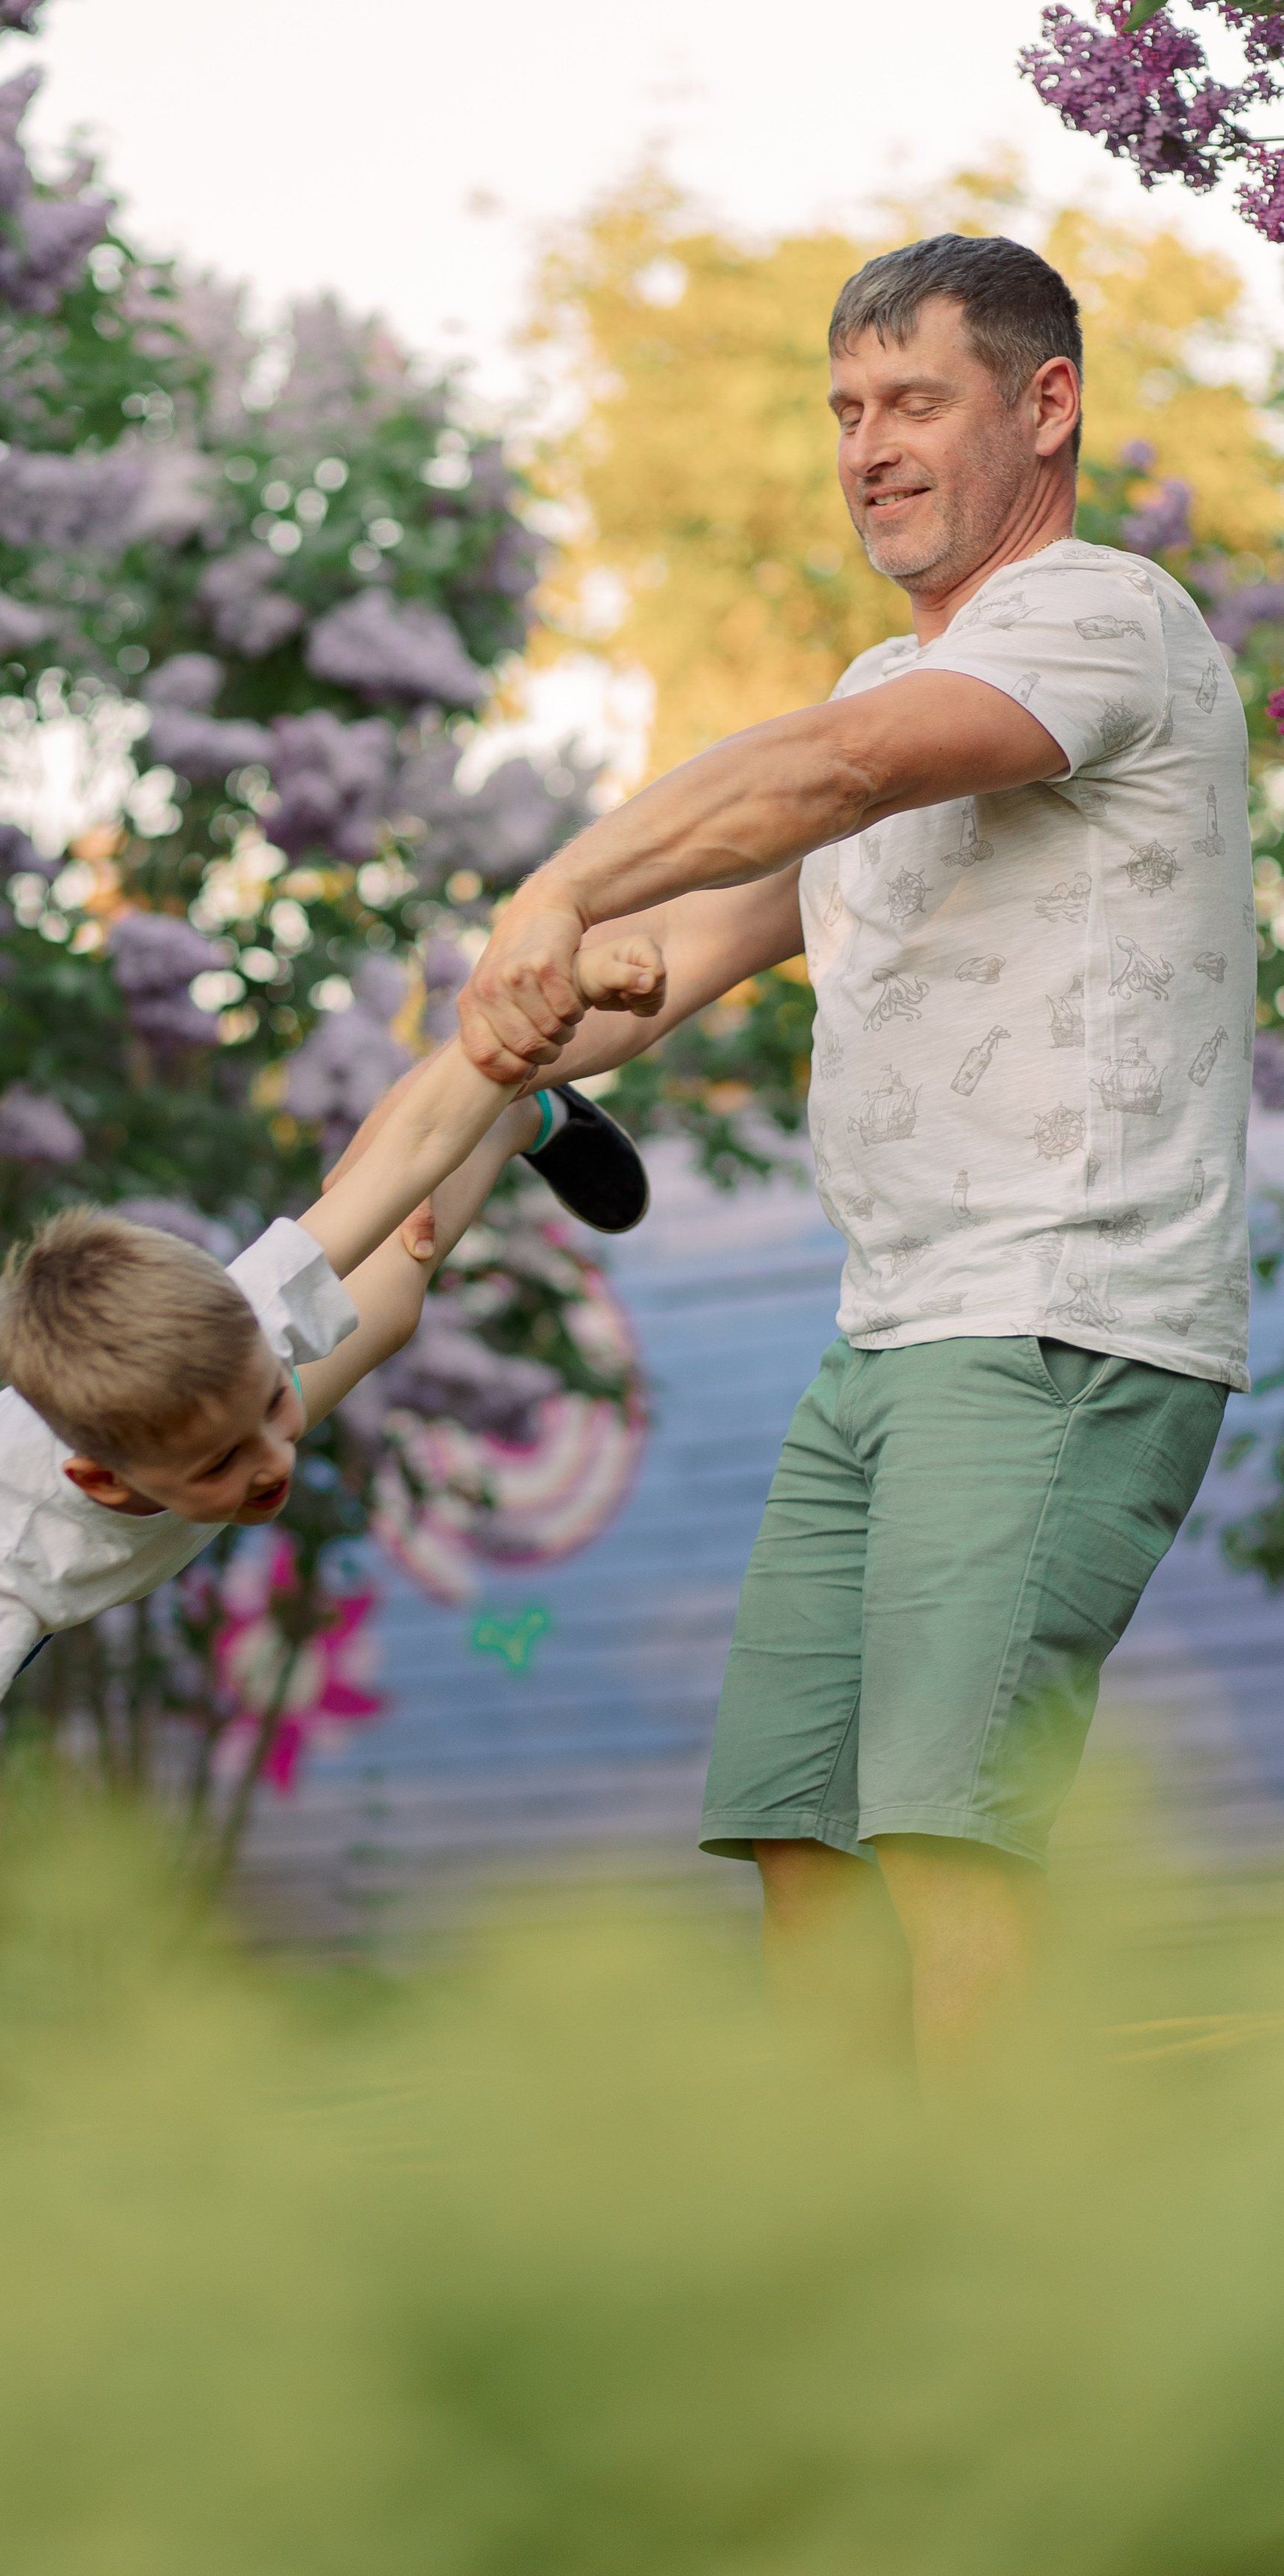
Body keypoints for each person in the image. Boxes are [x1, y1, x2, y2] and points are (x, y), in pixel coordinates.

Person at [449, 233, 1252, 2079]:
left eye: (913, 401)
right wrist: (538, 1014)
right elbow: (703, 942)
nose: (866, 446)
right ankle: (839, 2252)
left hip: (1060, 1312)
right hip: (886, 1333)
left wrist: (558, 880)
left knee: (941, 1837)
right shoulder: (885, 672)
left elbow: (820, 777)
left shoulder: (1096, 617)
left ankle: (1003, 2307)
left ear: (1043, 406)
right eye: (842, 412)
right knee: (799, 1831)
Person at [0, 934, 656, 2147]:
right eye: (227, 1463)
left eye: (272, 1416)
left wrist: (512, 1036)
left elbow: (392, 1157)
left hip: (161, 1402)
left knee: (389, 1295)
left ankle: (522, 1117)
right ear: (103, 1474)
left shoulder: (230, 1331)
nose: (273, 1468)